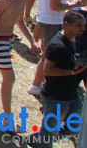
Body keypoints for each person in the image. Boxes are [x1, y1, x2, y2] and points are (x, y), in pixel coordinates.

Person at [28, 0, 85, 97]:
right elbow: (55, 5)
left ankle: (38, 83)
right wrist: (72, 5)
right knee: (48, 56)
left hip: (47, 19)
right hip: (52, 21)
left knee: (47, 54)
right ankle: (36, 85)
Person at [28, 10, 87, 146]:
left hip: (71, 94)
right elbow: (47, 71)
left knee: (75, 126)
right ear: (66, 24)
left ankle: (36, 139)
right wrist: (72, 72)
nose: (82, 29)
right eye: (78, 25)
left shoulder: (70, 40)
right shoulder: (58, 46)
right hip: (56, 97)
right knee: (48, 134)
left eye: (83, 25)